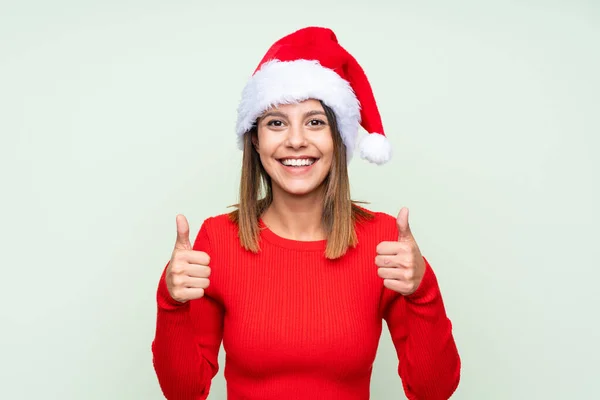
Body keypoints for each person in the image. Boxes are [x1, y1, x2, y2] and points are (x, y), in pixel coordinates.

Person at [151, 26, 461, 400]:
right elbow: (184, 392)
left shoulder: (383, 243)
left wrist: (422, 289)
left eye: (315, 122)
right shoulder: (217, 239)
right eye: (276, 122)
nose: (296, 140)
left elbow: (433, 391)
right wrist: (172, 301)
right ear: (255, 139)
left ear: (338, 137)